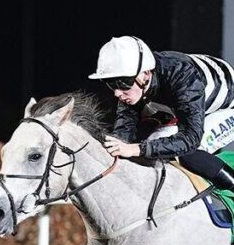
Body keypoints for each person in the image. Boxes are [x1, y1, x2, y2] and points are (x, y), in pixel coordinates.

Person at [89, 35, 234, 190]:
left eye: (122, 83)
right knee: (152, 143)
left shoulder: (181, 75)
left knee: (184, 151)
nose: (117, 93)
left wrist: (136, 149)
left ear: (145, 74)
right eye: (111, 84)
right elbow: (123, 135)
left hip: (226, 108)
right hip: (190, 107)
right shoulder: (136, 81)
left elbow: (191, 139)